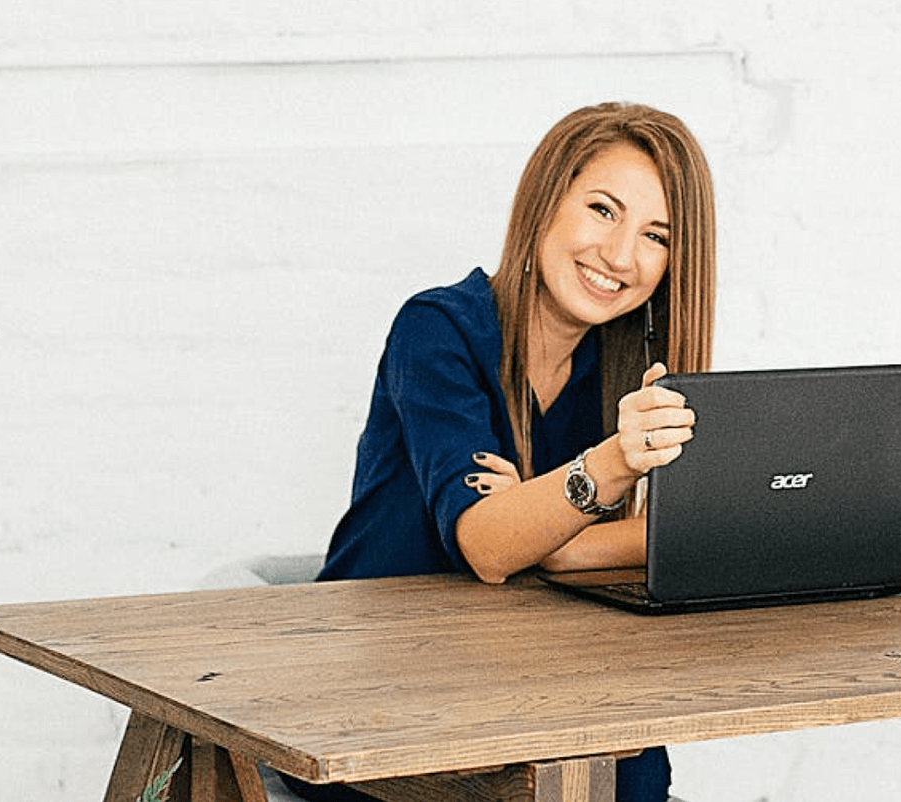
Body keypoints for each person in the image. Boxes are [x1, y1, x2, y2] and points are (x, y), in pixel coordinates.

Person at [286, 101, 717, 802]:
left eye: (656, 236)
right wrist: (604, 469)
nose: (619, 256)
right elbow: (487, 545)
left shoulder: (616, 364)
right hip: (366, 694)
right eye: (603, 210)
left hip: (504, 678)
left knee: (634, 767)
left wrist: (552, 540)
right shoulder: (438, 329)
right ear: (546, 199)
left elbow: (680, 535)